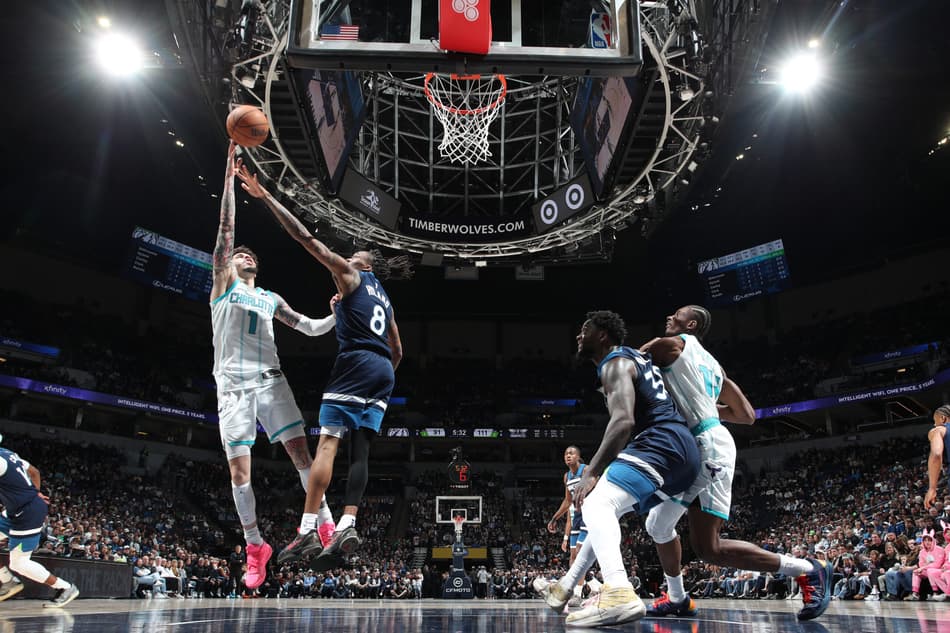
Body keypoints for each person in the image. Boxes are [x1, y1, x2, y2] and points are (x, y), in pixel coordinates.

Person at [236, 160, 411, 570]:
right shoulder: (384, 296)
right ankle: (348, 521)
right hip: (383, 371)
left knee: (328, 443)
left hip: (356, 364)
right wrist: (378, 375)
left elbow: (306, 239)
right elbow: (399, 349)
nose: (347, 257)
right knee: (362, 449)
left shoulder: (350, 273)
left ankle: (307, 528)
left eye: (353, 255)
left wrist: (266, 198)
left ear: (362, 263)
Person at [638, 305, 832, 620]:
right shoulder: (714, 366)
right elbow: (746, 415)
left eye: (675, 315)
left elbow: (631, 361)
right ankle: (677, 598)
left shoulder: (670, 344)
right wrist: (708, 408)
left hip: (704, 447)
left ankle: (809, 569)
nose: (668, 318)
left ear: (691, 323)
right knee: (664, 527)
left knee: (703, 545)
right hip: (708, 441)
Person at [210, 142, 339, 589]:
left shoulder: (269, 298)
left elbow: (308, 328)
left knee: (301, 455)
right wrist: (228, 178)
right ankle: (254, 544)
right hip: (233, 387)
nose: (243, 254)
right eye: (237, 254)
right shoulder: (223, 286)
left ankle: (324, 525)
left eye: (250, 255)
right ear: (228, 264)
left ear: (256, 267)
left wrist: (337, 313)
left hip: (271, 382)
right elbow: (226, 229)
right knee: (240, 472)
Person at [541, 310, 700, 627]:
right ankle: (566, 587)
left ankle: (618, 591)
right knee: (606, 512)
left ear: (602, 335)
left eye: (584, 329)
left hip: (661, 441)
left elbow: (623, 420)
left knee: (597, 502)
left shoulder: (613, 363)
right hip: (684, 453)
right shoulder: (633, 358)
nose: (578, 336)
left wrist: (592, 471)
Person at [0, 435, 80, 607]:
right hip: (18, 508)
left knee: (19, 563)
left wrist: (32, 496)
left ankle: (65, 587)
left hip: (28, 513)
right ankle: (8, 582)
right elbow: (34, 472)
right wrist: (34, 492)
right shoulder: (8, 453)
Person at [536, 446, 589, 606]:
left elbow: (596, 485)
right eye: (566, 453)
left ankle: (579, 594)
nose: (568, 456)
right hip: (577, 517)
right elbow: (567, 501)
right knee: (572, 557)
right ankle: (575, 590)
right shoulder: (567, 476)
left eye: (571, 453)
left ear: (578, 456)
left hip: (590, 513)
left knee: (579, 554)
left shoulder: (586, 470)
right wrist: (554, 518)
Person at [924, 405, 950, 510]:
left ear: (943, 418)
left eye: (935, 421)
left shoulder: (939, 430)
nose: (935, 424)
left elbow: (936, 454)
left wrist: (932, 488)